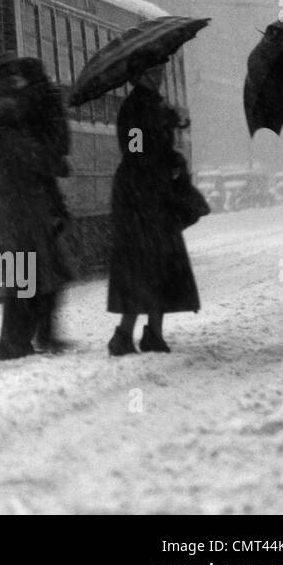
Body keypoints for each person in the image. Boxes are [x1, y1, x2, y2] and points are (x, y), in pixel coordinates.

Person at [0, 54, 74, 360]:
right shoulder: (5, 115)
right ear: (10, 82)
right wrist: (53, 160)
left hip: (26, 202)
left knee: (37, 273)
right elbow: (25, 156)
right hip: (19, 204)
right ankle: (14, 344)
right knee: (26, 274)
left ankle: (30, 339)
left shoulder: (10, 113)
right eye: (17, 80)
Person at [107, 63, 201, 355]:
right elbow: (134, 151)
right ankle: (124, 335)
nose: (160, 74)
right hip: (140, 200)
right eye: (154, 71)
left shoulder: (154, 107)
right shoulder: (134, 109)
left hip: (155, 199)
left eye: (161, 70)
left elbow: (153, 150)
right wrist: (162, 158)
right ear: (141, 75)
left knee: (156, 268)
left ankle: (152, 334)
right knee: (143, 268)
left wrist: (169, 127)